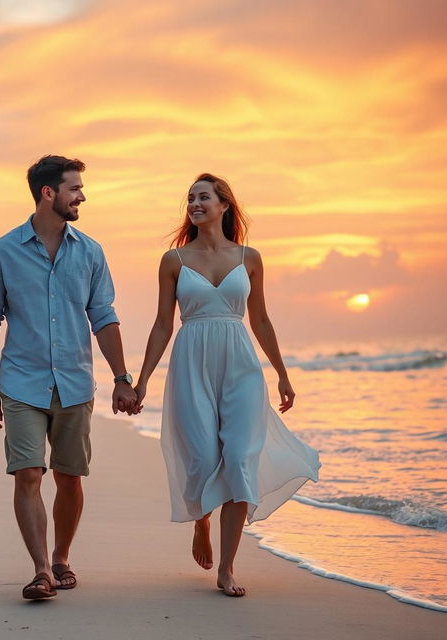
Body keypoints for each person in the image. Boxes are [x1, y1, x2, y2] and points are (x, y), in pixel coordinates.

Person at [133, 173, 320, 597]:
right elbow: (163, 324)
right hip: (191, 361)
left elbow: (262, 321)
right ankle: (201, 521)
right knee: (201, 457)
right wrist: (142, 378)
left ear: (224, 205)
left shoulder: (249, 257)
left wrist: (283, 374)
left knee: (238, 458)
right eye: (191, 198)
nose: (195, 204)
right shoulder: (174, 261)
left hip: (240, 364)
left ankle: (228, 568)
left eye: (203, 197)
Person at [0, 155, 137, 600]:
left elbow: (103, 317)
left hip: (75, 384)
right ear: (49, 193)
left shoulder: (90, 252)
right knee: (27, 474)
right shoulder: (2, 252)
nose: (82, 195)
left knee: (69, 477)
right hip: (22, 383)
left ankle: (62, 556)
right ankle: (42, 569)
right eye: (74, 188)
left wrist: (123, 377)